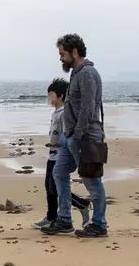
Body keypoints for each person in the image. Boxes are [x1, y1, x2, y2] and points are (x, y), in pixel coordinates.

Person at [42, 34, 108, 237]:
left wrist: (77, 135)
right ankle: (64, 219)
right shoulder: (77, 73)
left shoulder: (87, 74)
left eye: (63, 54)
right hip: (70, 136)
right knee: (59, 173)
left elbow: (88, 108)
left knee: (92, 181)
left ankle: (99, 224)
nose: (60, 58)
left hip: (84, 137)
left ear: (75, 52)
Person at [33, 78, 91, 230]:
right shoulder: (56, 113)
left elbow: (67, 136)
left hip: (60, 155)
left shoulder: (64, 113)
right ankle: (51, 216)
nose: (48, 98)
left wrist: (60, 148)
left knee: (55, 188)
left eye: (51, 94)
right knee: (49, 188)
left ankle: (82, 205)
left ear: (60, 96)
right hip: (52, 155)